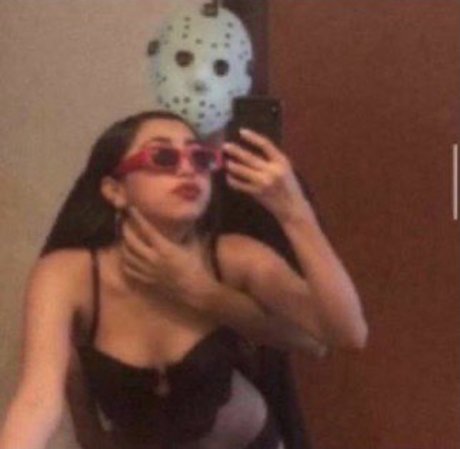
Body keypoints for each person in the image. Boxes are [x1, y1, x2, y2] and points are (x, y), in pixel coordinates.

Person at [0, 110, 367, 449]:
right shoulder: (68, 274)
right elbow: (37, 401)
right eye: (163, 157)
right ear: (115, 190)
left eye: (202, 159)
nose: (188, 169)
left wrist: (294, 212)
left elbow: (348, 334)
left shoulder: (235, 256)